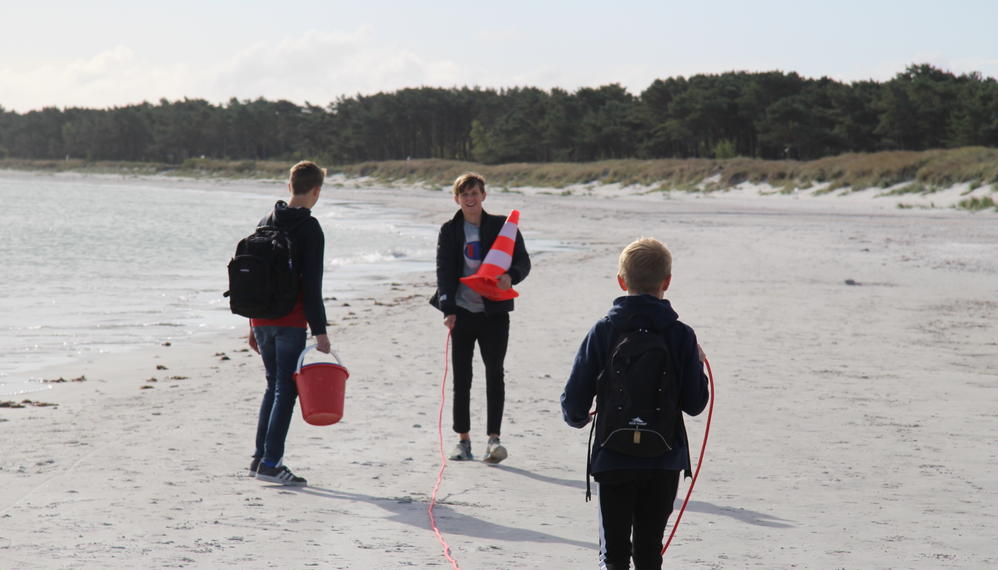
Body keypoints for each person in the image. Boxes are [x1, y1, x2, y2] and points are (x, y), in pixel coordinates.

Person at [561, 238, 709, 570]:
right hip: (664, 457)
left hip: (613, 456)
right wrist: (697, 363)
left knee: (613, 555)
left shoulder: (603, 330)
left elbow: (573, 401)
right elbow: (695, 403)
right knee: (647, 554)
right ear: (666, 282)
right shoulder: (681, 334)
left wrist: (578, 417)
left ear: (621, 281)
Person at [430, 172, 530, 464]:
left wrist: (511, 276)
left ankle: (493, 440)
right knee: (462, 378)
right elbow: (444, 270)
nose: (470, 199)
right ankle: (463, 441)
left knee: (494, 373)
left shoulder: (502, 227)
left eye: (475, 193)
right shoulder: (450, 230)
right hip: (461, 313)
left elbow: (522, 261)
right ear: (457, 199)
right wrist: (448, 309)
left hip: (494, 314)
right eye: (465, 195)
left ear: (483, 196)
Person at [247, 160, 331, 486]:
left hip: (260, 318)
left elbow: (254, 277)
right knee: (287, 389)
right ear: (316, 191)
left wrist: (251, 327)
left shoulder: (265, 219)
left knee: (274, 385)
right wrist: (321, 332)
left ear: (289, 186)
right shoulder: (309, 228)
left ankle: (259, 458)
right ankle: (271, 462)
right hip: (290, 321)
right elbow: (312, 285)